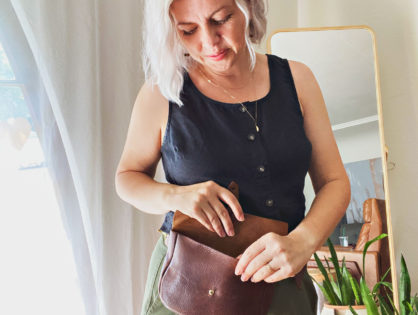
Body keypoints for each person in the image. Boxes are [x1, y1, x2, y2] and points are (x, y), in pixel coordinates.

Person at [115, 0, 351, 314]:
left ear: (249, 7)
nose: (209, 42)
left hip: (280, 284)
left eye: (221, 19)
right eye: (188, 30)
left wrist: (303, 241)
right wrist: (177, 196)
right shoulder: (160, 93)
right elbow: (127, 178)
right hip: (187, 287)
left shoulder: (298, 80)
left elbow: (335, 182)